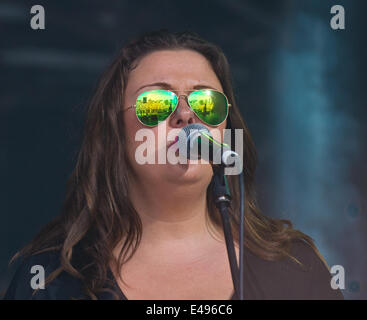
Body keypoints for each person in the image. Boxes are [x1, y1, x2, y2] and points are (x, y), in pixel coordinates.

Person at [3, 29, 344, 300]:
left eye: (206, 102)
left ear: (225, 131)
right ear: (115, 134)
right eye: (156, 102)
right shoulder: (50, 278)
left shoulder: (294, 266)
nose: (186, 114)